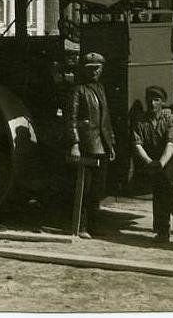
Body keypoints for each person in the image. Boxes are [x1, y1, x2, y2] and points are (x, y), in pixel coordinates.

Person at [65, 52, 115, 239]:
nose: (94, 72)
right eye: (90, 69)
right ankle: (82, 226)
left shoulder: (100, 88)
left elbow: (105, 119)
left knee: (97, 189)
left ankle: (94, 225)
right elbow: (71, 119)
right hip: (86, 145)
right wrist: (75, 143)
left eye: (97, 68)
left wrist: (110, 144)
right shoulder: (78, 90)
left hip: (100, 145)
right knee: (84, 188)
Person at [131, 85, 173, 243]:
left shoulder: (171, 119)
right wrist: (149, 162)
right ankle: (171, 222)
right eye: (150, 100)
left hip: (170, 159)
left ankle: (163, 228)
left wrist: (161, 163)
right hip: (151, 158)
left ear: (163, 102)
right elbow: (137, 143)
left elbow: (171, 143)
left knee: (162, 182)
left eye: (157, 100)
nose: (152, 103)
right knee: (160, 190)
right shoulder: (141, 121)